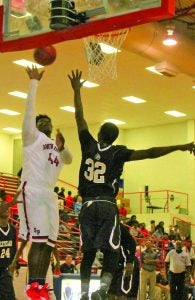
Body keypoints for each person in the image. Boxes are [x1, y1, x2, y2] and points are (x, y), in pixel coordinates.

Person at [68, 69, 195, 300]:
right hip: (106, 204)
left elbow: (79, 118)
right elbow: (150, 153)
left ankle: (85, 294)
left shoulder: (88, 143)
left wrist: (77, 90)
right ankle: (103, 289)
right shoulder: (118, 152)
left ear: (98, 133)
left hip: (86, 205)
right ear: (115, 138)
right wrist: (179, 146)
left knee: (87, 253)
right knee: (112, 251)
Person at [17, 66, 73, 300]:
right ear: (37, 126)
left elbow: (69, 160)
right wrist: (33, 83)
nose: (46, 123)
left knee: (49, 242)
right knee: (37, 241)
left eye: (49, 121)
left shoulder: (55, 145)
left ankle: (40, 286)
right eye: (43, 121)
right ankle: (34, 285)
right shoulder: (31, 138)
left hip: (49, 196)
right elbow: (29, 115)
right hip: (33, 191)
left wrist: (63, 147)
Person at [0, 190, 21, 300]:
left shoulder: (12, 229)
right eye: (4, 206)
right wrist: (11, 202)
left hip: (4, 270)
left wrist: (14, 265)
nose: (7, 208)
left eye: (8, 207)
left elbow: (14, 249)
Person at [108, 222, 136, 300]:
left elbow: (132, 243)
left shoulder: (119, 227)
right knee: (111, 288)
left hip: (124, 261)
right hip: (113, 262)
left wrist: (130, 262)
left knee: (123, 289)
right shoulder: (104, 226)